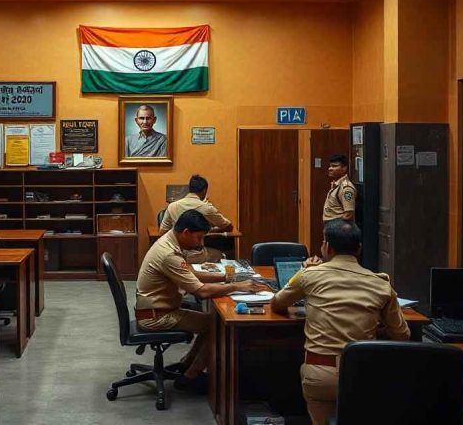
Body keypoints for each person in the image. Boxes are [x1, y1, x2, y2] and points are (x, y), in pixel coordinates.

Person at [271, 219, 410, 425]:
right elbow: (402, 335)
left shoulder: (309, 275)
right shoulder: (381, 284)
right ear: (359, 248)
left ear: (327, 246)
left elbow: (277, 304)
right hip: (363, 375)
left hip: (321, 375)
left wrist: (303, 272)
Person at [136, 209, 268, 393]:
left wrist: (228, 277)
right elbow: (201, 291)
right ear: (186, 232)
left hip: (157, 309)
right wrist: (236, 287)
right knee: (219, 326)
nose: (200, 243)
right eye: (198, 237)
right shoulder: (168, 254)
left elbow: (191, 274)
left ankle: (186, 366)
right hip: (156, 316)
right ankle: (191, 377)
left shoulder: (169, 242)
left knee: (210, 323)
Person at [159, 174, 233, 263]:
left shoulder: (172, 206)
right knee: (221, 254)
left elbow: (162, 231)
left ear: (189, 189)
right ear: (204, 190)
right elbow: (229, 227)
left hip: (175, 253)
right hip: (196, 254)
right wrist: (210, 231)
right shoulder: (206, 208)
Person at [322, 154, 356, 222]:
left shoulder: (346, 188)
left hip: (338, 229)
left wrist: (336, 226)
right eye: (330, 166)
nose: (330, 168)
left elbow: (349, 214)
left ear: (344, 168)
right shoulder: (336, 185)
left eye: (334, 166)